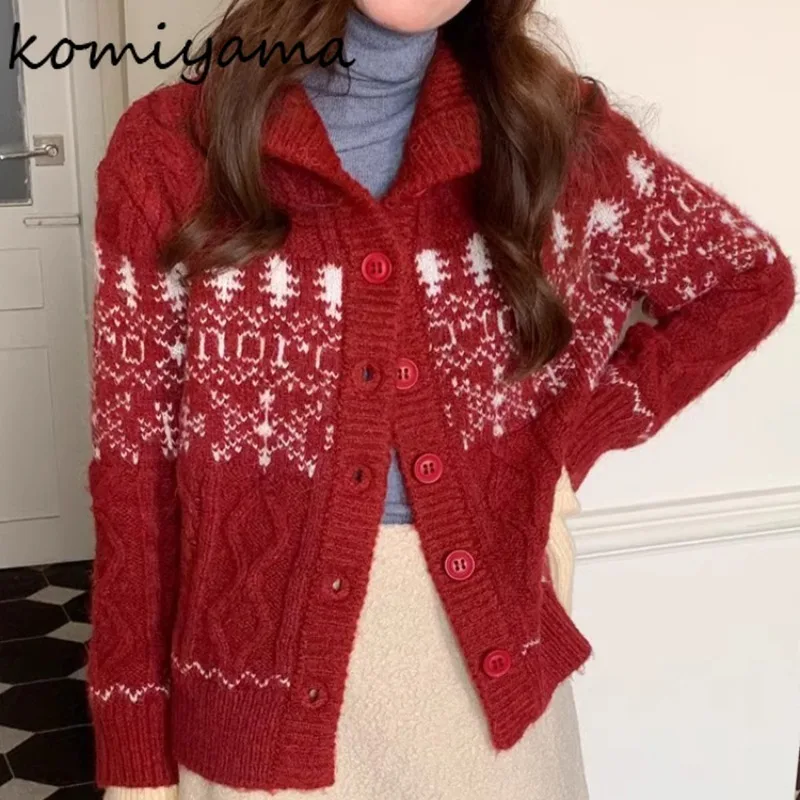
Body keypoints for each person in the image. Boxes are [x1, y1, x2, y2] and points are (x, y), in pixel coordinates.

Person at [85, 1, 796, 798]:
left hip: (486, 692)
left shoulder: (549, 130)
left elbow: (748, 280)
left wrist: (569, 446)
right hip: (251, 694)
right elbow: (134, 483)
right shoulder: (172, 150)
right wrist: (134, 756)